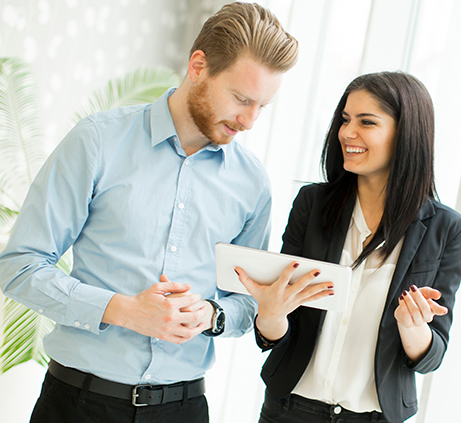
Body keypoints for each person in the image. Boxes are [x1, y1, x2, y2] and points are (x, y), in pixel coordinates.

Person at [0, 2, 298, 422]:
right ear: (199, 66)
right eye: (241, 99)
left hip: (185, 409)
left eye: (262, 106)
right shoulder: (97, 142)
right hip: (78, 405)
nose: (249, 120)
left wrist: (211, 315)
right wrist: (124, 310)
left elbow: (248, 303)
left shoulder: (252, 184)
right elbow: (19, 266)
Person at [235, 71, 461, 423]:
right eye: (345, 120)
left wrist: (412, 327)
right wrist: (270, 314)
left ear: (406, 134)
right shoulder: (312, 204)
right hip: (289, 410)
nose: (347, 133)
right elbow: (276, 336)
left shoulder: (446, 229)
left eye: (367, 122)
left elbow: (432, 356)